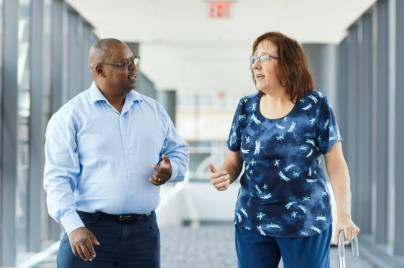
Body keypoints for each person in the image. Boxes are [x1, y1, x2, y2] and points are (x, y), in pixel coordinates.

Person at [209, 32, 359, 268]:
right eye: (253, 58)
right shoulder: (246, 107)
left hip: (306, 222)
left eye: (265, 57)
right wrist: (225, 175)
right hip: (252, 220)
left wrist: (344, 214)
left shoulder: (315, 106)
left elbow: (337, 165)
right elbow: (234, 160)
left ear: (288, 63)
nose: (255, 64)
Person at [43, 38, 188, 268]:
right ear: (100, 70)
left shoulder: (154, 111)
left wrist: (172, 170)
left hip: (143, 233)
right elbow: (57, 179)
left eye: (134, 61)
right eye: (123, 63)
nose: (133, 68)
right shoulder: (70, 116)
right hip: (90, 231)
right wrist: (73, 226)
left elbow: (179, 151)